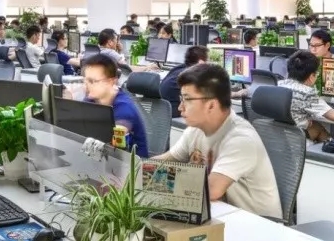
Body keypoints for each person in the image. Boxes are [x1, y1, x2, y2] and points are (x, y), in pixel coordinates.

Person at [155, 64, 282, 219]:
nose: (180, 107)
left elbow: (211, 190)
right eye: (181, 99)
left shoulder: (240, 139)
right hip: (220, 215)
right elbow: (162, 162)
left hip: (256, 225)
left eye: (187, 99)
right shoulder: (195, 130)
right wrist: (138, 169)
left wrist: (155, 179)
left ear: (211, 105)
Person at [279, 51, 334, 142]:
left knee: (315, 125)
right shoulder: (307, 93)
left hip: (278, 137)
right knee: (319, 128)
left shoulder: (278, 84)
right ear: (311, 77)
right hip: (296, 140)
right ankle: (332, 147)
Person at [80, 54, 149, 157]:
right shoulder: (91, 99)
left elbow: (112, 148)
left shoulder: (124, 108)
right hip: (98, 160)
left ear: (111, 82)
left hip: (129, 164)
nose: (86, 85)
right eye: (85, 80)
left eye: (92, 81)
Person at [160, 46, 208, 117]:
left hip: (162, 111)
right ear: (201, 62)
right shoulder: (192, 75)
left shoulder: (179, 68)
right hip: (173, 112)